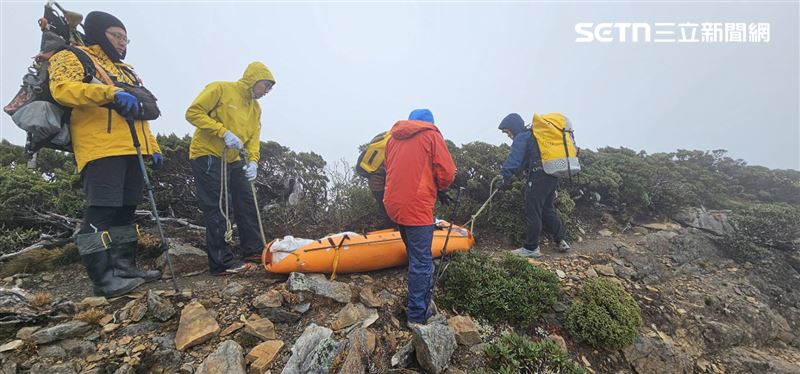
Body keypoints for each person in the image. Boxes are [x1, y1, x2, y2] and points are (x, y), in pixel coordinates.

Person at [49, 11, 163, 297]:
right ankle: (103, 279)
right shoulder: (74, 55)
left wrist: (154, 147)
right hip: (100, 146)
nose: (123, 43)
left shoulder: (125, 70)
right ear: (99, 32)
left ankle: (124, 267)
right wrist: (109, 94)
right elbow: (62, 90)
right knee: (101, 210)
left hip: (132, 148)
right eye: (117, 36)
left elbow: (138, 114)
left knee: (126, 210)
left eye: (126, 38)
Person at [185, 62, 275, 276]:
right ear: (254, 79)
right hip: (208, 154)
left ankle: (252, 250)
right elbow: (193, 113)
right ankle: (221, 263)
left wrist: (253, 161)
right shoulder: (221, 89)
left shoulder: (256, 108)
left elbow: (253, 138)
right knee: (218, 206)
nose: (266, 92)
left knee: (246, 199)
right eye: (265, 86)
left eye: (270, 89)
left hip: (235, 159)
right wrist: (222, 131)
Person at [384, 109, 456, 325]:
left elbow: (389, 167)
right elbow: (447, 172)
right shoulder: (432, 135)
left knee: (415, 254)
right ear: (429, 123)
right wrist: (440, 188)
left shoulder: (392, 139)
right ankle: (417, 315)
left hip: (394, 204)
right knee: (422, 262)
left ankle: (420, 298)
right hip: (417, 206)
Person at [496, 113, 570, 257]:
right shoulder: (534, 136)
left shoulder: (522, 137)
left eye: (507, 131)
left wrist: (503, 177)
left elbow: (514, 159)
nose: (508, 135)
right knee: (547, 209)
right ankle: (561, 239)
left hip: (538, 177)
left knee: (533, 211)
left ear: (513, 127)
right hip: (551, 175)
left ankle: (531, 248)